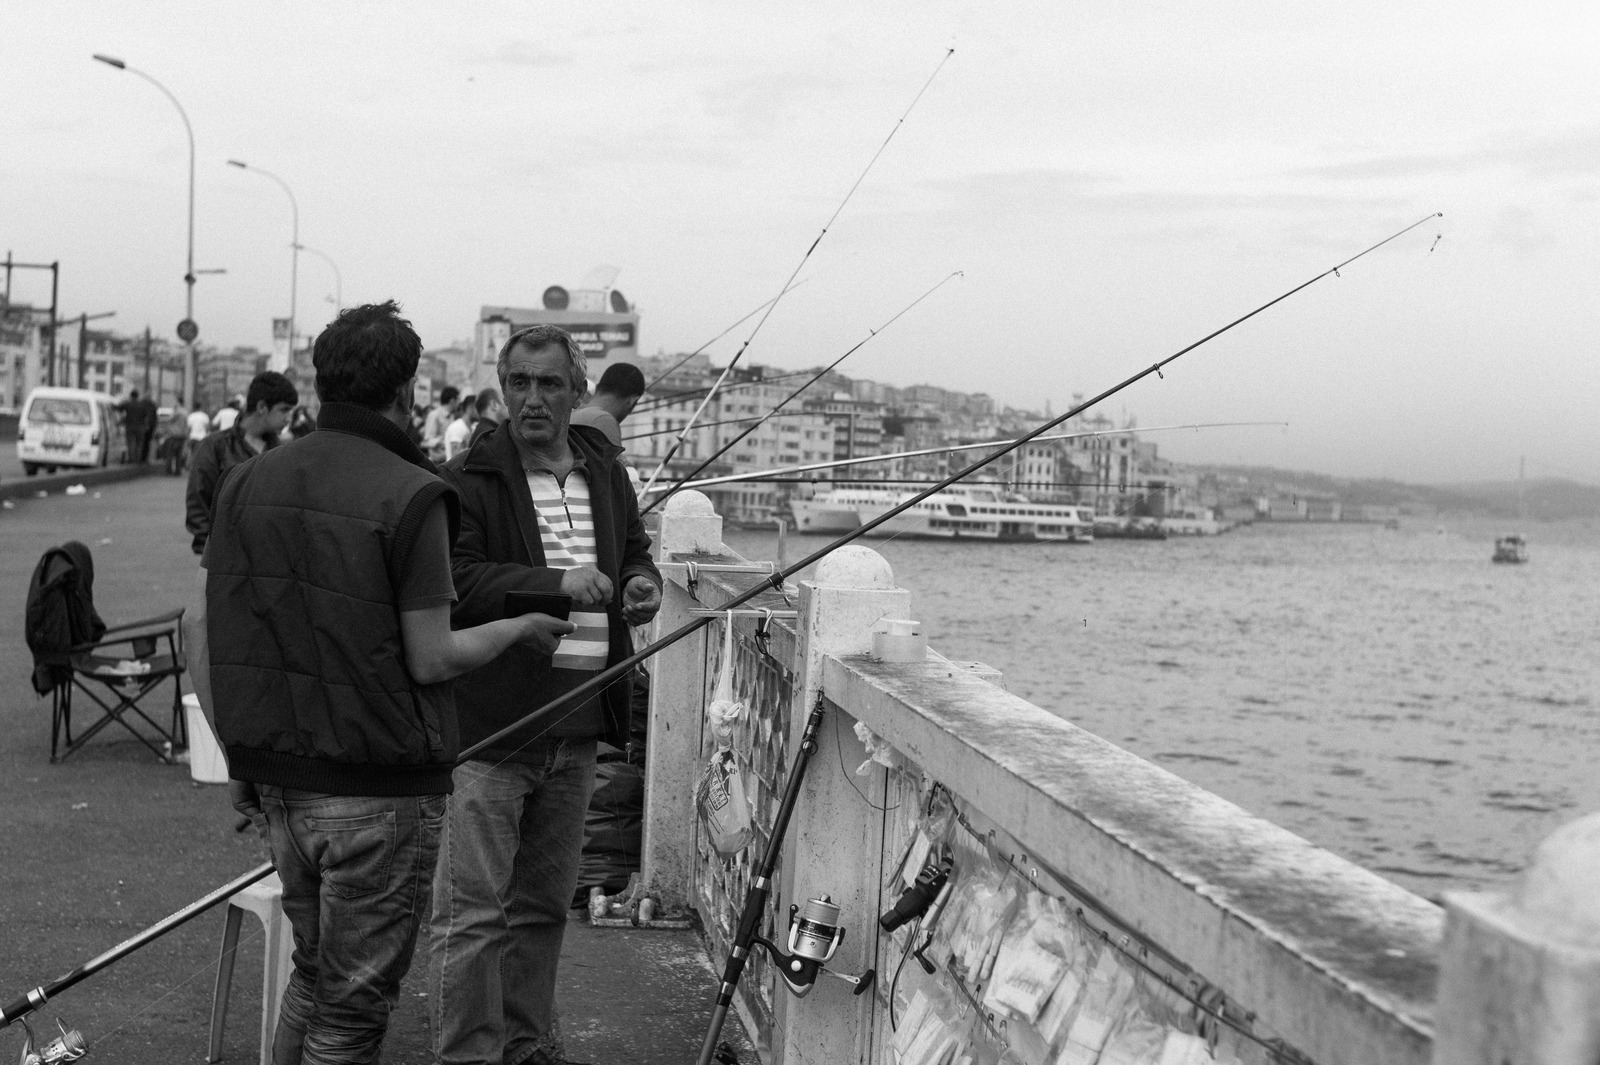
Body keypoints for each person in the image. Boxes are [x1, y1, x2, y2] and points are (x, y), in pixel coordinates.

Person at [193, 301, 573, 1065]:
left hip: (278, 781)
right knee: (351, 1014)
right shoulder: (414, 493)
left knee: (315, 977)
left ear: (319, 378)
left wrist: (239, 759)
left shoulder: (245, 480)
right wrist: (519, 629)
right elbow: (431, 656)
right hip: (377, 790)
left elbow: (199, 629)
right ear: (405, 388)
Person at [429, 324, 662, 1065]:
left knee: (541, 905)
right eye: (520, 382)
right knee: (473, 913)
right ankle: (469, 1051)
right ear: (504, 389)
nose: (533, 397)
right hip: (498, 724)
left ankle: (526, 1043)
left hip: (581, 722)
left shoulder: (606, 472)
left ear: (577, 391)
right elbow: (456, 581)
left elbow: (632, 553)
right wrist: (551, 584)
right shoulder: (473, 478)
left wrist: (640, 584)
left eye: (550, 383)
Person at [185, 372, 298, 556]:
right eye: (284, 410)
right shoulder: (215, 447)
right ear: (262, 406)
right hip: (225, 560)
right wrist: (214, 553)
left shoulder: (283, 452)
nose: (288, 418)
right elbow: (198, 502)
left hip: (271, 562)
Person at [569, 362, 645, 449]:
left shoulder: (573, 413)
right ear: (632, 401)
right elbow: (614, 462)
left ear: (598, 387)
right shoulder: (604, 421)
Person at [117, 389, 159, 464]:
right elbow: (148, 416)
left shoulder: (128, 403)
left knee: (131, 443)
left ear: (131, 396)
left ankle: (131, 459)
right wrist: (148, 425)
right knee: (140, 444)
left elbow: (118, 408)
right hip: (141, 428)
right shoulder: (142, 405)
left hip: (130, 426)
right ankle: (138, 459)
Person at [422, 385, 459, 460]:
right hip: (437, 461)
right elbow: (428, 441)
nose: (459, 403)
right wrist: (442, 441)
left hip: (448, 459)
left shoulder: (451, 416)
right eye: (458, 400)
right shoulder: (434, 415)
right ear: (452, 401)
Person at [441, 395, 476, 461]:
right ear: (470, 408)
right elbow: (455, 456)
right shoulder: (457, 427)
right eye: (478, 408)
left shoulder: (472, 427)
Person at [185, 402, 212, 469]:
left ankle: (191, 467)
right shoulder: (204, 416)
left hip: (193, 437)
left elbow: (188, 428)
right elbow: (208, 427)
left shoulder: (191, 416)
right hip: (202, 438)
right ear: (201, 407)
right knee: (201, 454)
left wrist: (187, 438)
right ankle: (200, 467)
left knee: (192, 453)